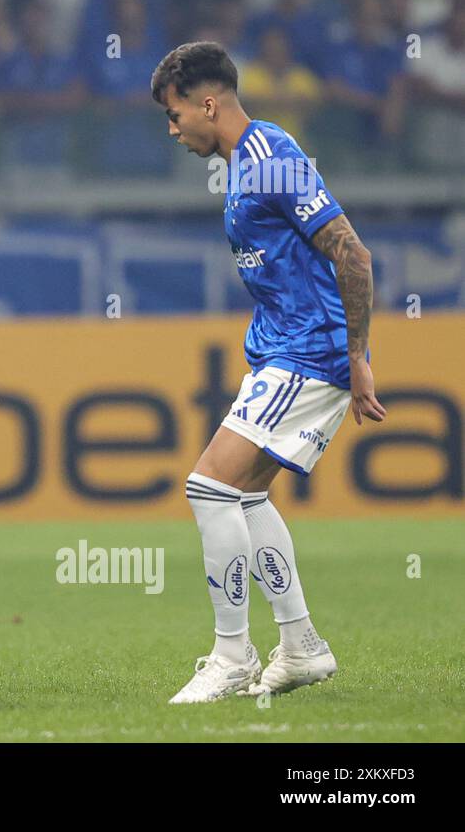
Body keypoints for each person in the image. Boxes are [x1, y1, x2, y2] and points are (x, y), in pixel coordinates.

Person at [151, 41, 384, 703]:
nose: (173, 131)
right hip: (285, 351)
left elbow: (353, 255)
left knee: (206, 487)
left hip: (311, 352)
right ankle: (303, 647)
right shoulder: (249, 158)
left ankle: (231, 656)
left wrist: (358, 357)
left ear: (208, 103)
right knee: (244, 497)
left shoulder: (273, 161)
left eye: (175, 116)